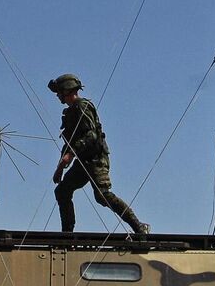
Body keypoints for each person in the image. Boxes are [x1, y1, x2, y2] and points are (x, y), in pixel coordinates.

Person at [48, 74, 149, 238]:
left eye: (59, 92)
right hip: (82, 162)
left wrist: (70, 155)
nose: (58, 96)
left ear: (66, 90)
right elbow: (70, 140)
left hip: (96, 159)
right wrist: (61, 166)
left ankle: (138, 227)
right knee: (62, 191)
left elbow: (91, 135)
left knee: (102, 196)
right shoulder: (70, 112)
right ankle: (66, 235)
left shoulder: (82, 106)